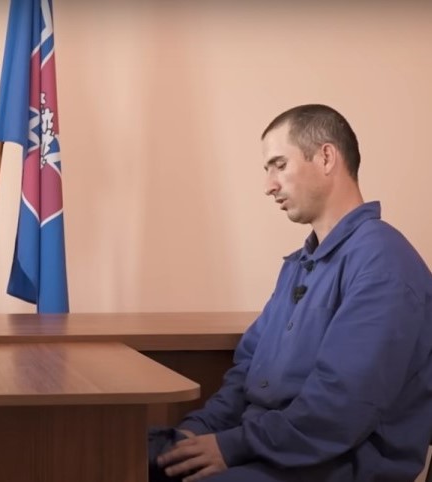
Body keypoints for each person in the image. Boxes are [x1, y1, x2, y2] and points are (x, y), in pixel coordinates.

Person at [150, 104, 432, 481]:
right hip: (268, 449)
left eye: (279, 165)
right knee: (141, 456)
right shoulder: (300, 264)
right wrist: (196, 432)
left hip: (333, 465)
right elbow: (247, 374)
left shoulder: (383, 263)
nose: (268, 185)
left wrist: (231, 447)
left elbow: (339, 409)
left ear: (326, 157)